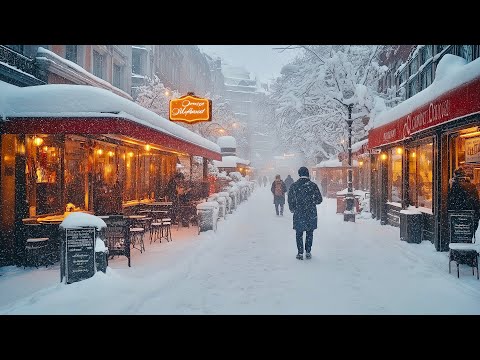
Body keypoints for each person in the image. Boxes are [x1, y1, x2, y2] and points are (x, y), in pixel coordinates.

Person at [288, 166, 323, 260]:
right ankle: (308, 252)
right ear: (307, 174)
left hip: (299, 212)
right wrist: (311, 202)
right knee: (309, 233)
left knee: (299, 233)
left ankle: (300, 253)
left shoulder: (294, 186)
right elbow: (319, 199)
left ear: (299, 174)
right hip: (310, 213)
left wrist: (292, 208)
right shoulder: (313, 185)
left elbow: (290, 199)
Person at [448, 167, 480, 233]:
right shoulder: (472, 186)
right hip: (470, 213)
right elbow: (476, 201)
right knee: (469, 233)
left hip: (458, 214)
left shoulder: (455, 186)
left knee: (459, 233)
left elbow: (451, 201)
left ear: (455, 177)